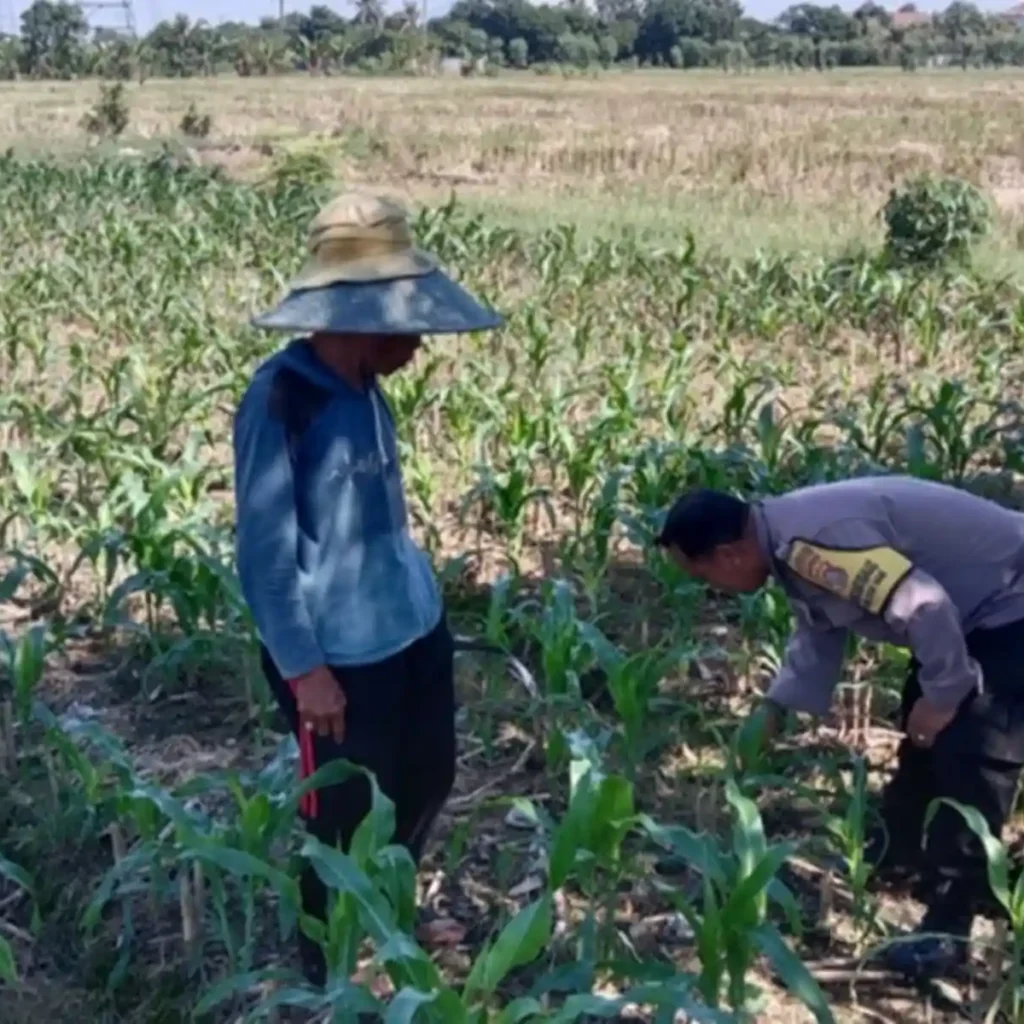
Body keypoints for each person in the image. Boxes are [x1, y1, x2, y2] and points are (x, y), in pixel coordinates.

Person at [232, 192, 502, 986]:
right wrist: (303, 668)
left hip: (411, 627)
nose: (420, 338)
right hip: (339, 658)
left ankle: (389, 907)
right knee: (343, 808)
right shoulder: (284, 399)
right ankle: (327, 964)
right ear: (362, 311)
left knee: (428, 776)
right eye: (407, 319)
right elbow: (264, 552)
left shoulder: (367, 390)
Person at [655, 475, 1024, 979]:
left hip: (1010, 603)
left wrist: (945, 694)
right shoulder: (785, 538)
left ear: (728, 555)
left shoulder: (814, 545)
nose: (711, 589)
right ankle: (898, 855)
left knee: (973, 749)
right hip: (975, 615)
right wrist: (776, 707)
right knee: (923, 741)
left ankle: (949, 927)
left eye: (703, 576)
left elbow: (925, 606)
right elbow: (821, 627)